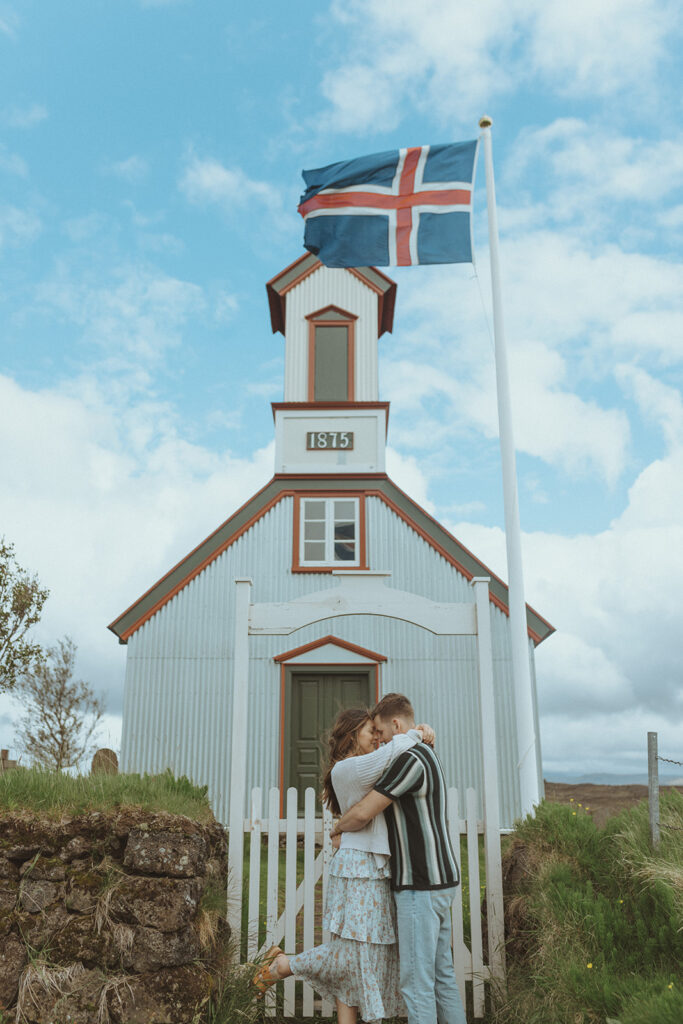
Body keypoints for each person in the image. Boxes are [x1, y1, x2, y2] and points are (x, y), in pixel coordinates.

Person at [253, 705, 435, 1024]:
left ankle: (290, 971)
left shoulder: (366, 765)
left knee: (361, 954)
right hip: (359, 869)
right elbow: (393, 752)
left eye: (378, 733)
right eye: (371, 732)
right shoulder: (348, 768)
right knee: (356, 954)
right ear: (352, 735)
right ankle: (283, 966)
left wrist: (415, 732)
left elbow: (395, 757)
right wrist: (417, 732)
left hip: (372, 866)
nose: (378, 738)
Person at [330, 693, 467, 1024]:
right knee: (442, 977)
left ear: (396, 724)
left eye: (380, 731)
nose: (379, 739)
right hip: (441, 879)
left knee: (416, 983)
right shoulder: (428, 754)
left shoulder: (409, 759)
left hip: (420, 883)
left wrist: (339, 827)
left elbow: (364, 811)